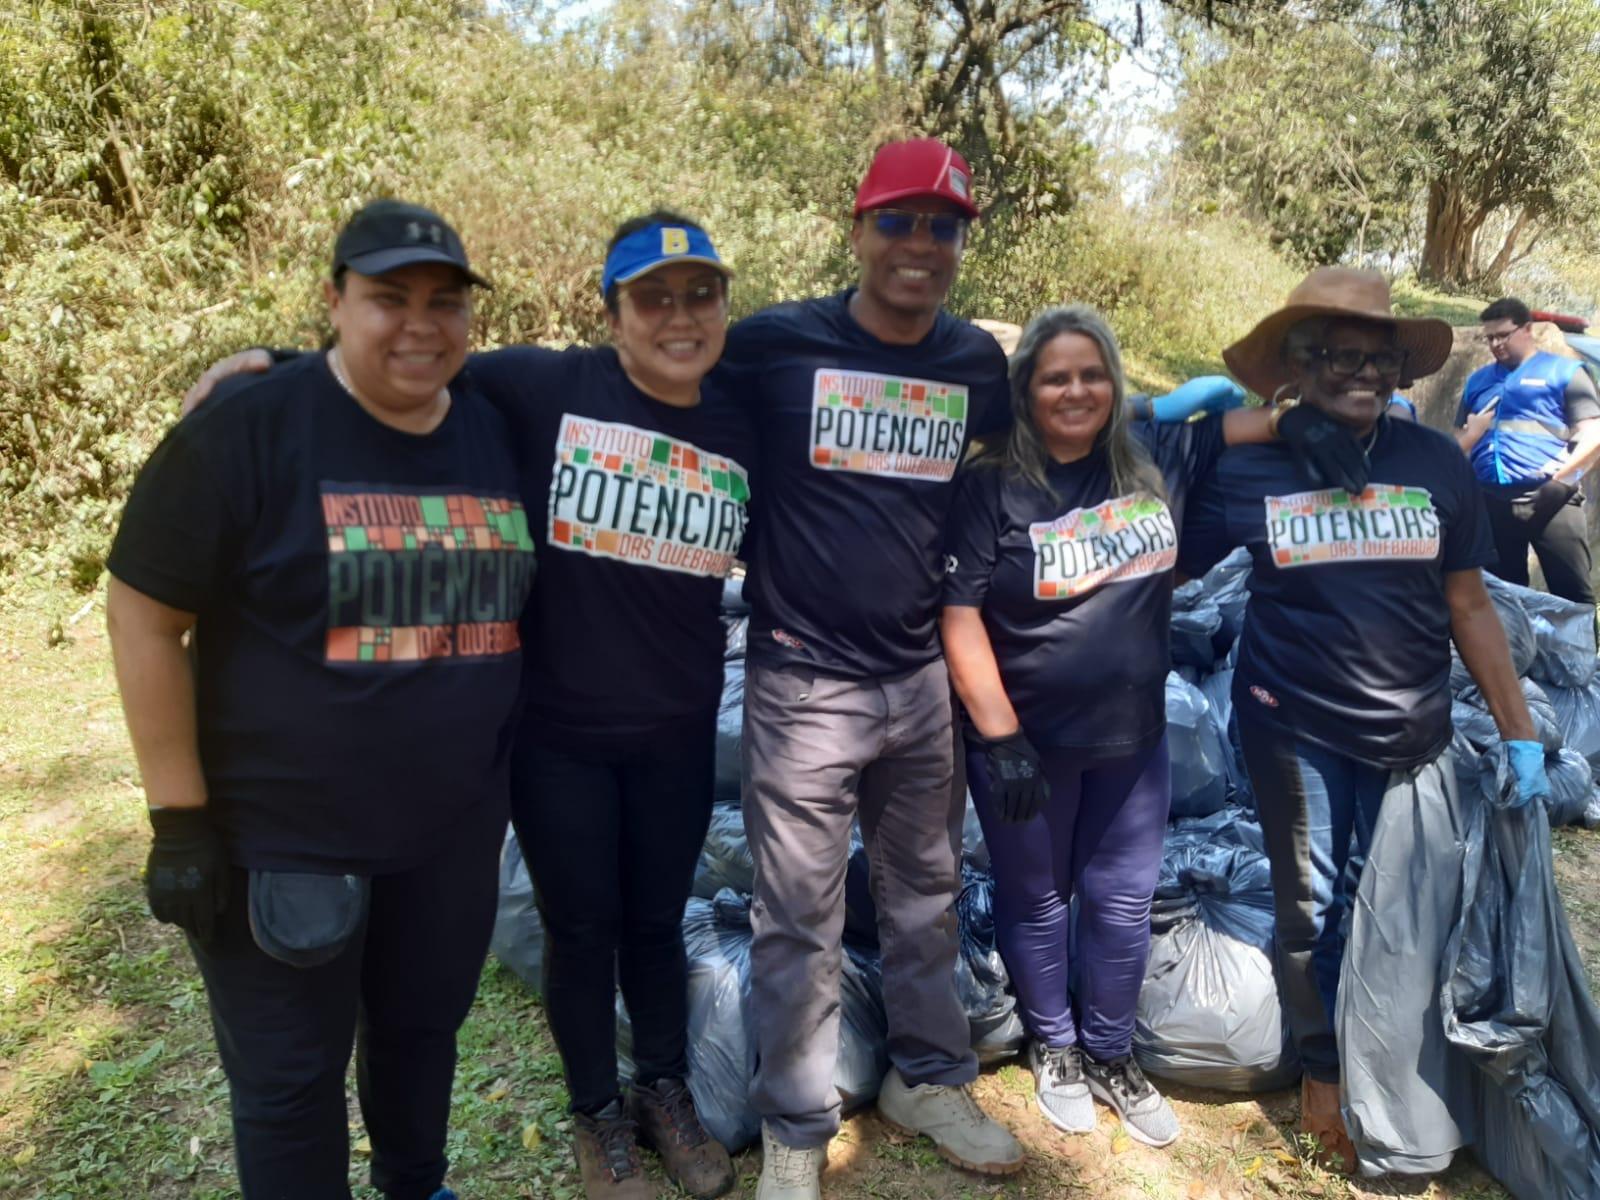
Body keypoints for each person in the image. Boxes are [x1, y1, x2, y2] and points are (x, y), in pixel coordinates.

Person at [175, 211, 753, 1200]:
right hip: (555, 732)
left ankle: (665, 1090)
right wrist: (273, 360)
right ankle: (595, 1117)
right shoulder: (543, 385)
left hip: (675, 726)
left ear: (722, 306)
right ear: (611, 311)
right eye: (651, 296)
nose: (677, 314)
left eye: (698, 293)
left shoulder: (742, 418)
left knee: (656, 923)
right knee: (581, 932)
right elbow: (398, 364)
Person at [106, 200, 536, 1200]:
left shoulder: (493, 427)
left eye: (443, 302)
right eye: (388, 298)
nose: (419, 324)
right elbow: (141, 616)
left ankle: (415, 1185)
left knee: (422, 1037)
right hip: (288, 841)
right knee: (292, 1086)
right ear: (334, 302)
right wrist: (178, 821)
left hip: (452, 832)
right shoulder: (247, 431)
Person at [940, 307, 1364, 1150]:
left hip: (1133, 740)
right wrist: (999, 735)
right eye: (1055, 376)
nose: (1076, 390)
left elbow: (1250, 420)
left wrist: (1299, 420)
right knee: (1036, 899)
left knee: (1125, 902)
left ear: (1116, 383)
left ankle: (1109, 1050)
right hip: (1027, 745)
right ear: (1027, 387)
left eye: (1092, 373)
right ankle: (1054, 1048)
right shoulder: (992, 485)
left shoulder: (1156, 456)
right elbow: (959, 617)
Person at [1181, 267, 1551, 1169]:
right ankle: (1324, 1074)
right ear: (1298, 367)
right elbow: (1119, 446)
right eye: (1332, 355)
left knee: (1383, 903)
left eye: (1375, 356)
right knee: (1311, 909)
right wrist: (1257, 418)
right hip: (1292, 723)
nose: (1358, 371)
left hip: (1412, 734)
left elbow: (1468, 604)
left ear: (1399, 368)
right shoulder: (1254, 462)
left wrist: (1522, 733)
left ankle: (1388, 1059)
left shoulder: (1432, 462)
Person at [720, 138, 1023, 1200]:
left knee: (925, 894)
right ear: (855, 230)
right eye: (897, 221)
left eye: (941, 228)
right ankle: (797, 1128)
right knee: (797, 911)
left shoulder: (973, 364)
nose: (919, 245)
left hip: (919, 679)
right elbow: (636, 381)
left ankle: (929, 1078)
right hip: (803, 680)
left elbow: (1040, 448)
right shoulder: (771, 344)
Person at [1456, 297, 1600, 604]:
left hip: (1552, 501)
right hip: (1493, 503)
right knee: (1502, 598)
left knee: (1573, 597)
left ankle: (1580, 654)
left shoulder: (1564, 372)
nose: (1495, 344)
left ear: (1527, 329)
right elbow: (1460, 440)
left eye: (1502, 335)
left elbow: (1594, 436)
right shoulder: (1477, 381)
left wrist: (1559, 484)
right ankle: (1515, 653)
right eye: (1489, 337)